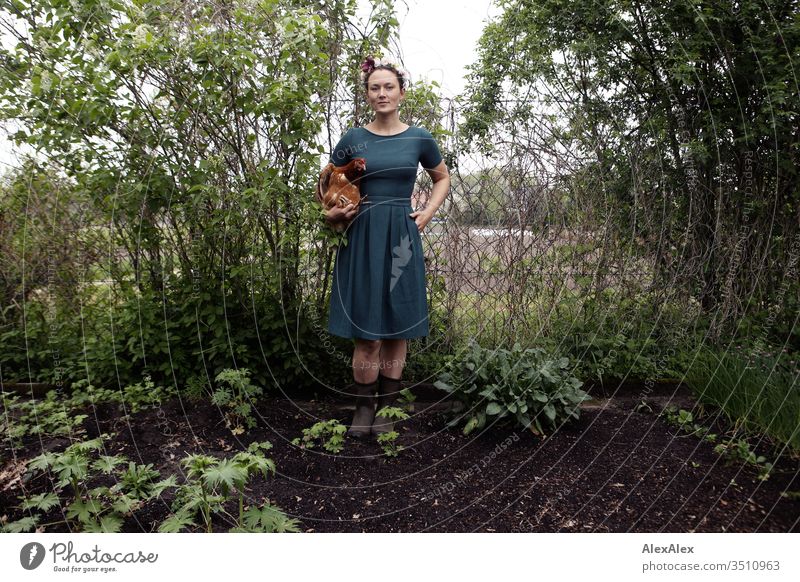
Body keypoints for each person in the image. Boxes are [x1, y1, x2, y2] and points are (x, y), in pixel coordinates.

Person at [324, 55, 451, 439]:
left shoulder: (420, 137)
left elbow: (442, 178)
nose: (382, 93)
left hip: (401, 235)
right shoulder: (353, 138)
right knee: (368, 332)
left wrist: (426, 212)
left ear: (401, 92)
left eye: (388, 87)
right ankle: (363, 408)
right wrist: (333, 214)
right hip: (361, 234)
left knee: (397, 328)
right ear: (367, 94)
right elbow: (328, 184)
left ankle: (388, 409)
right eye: (374, 87)